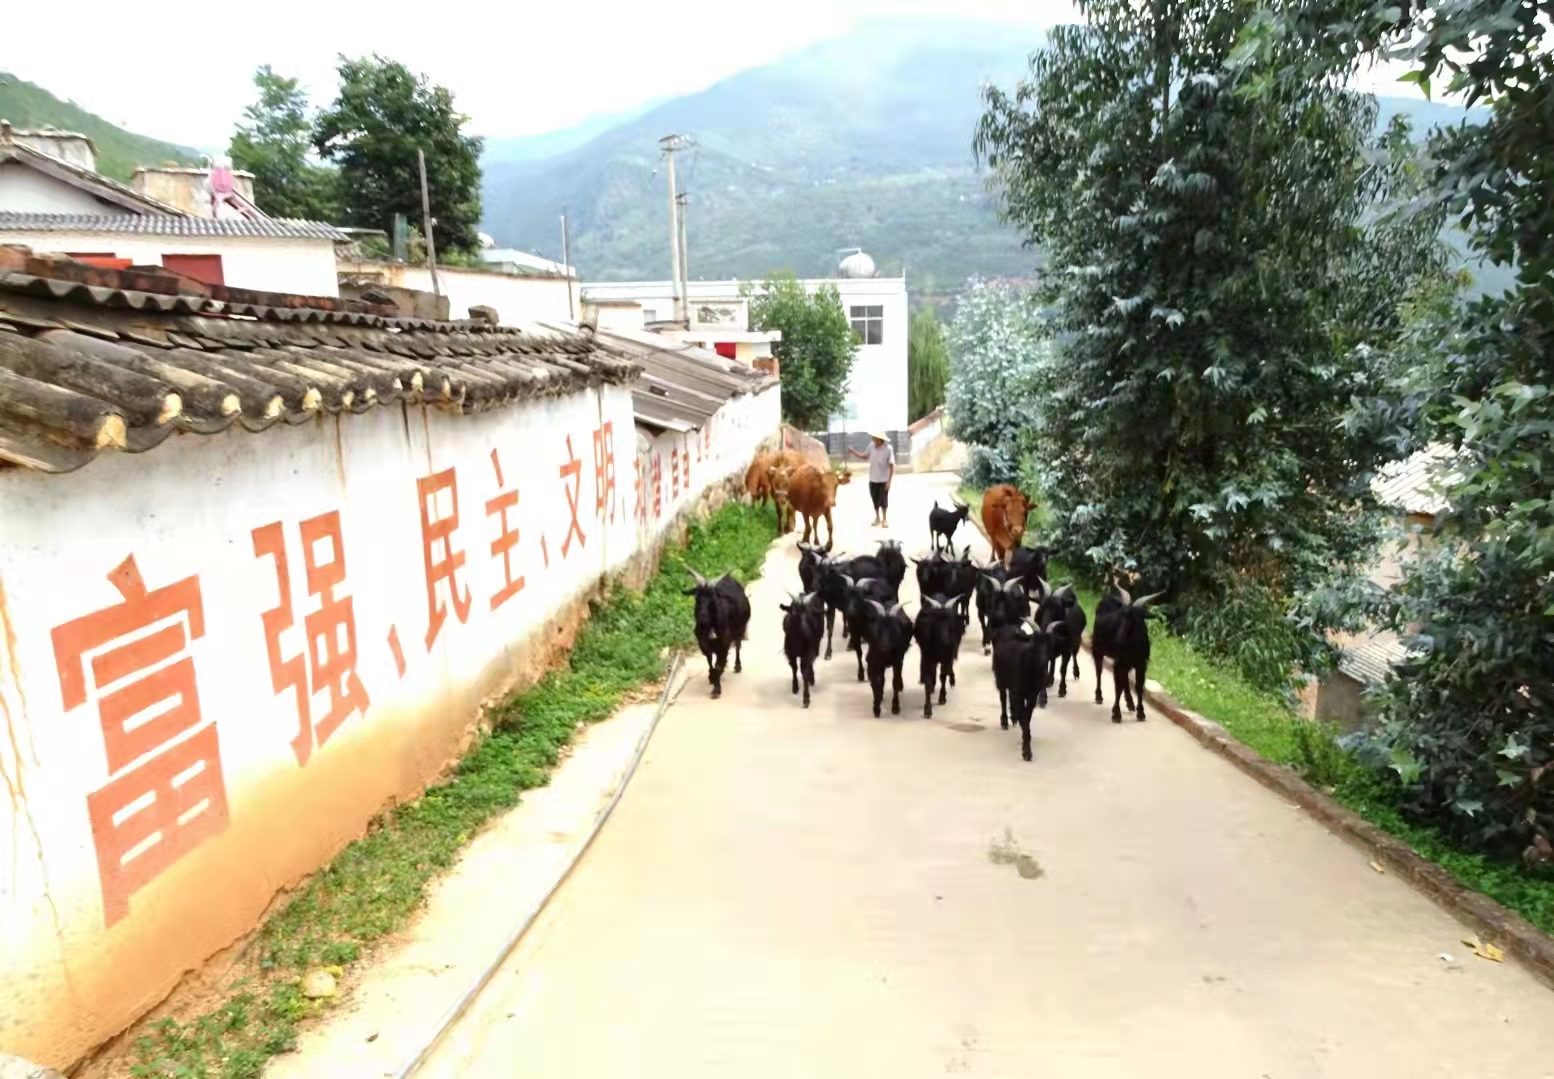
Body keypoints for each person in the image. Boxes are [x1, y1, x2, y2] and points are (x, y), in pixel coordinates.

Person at [848, 431, 895, 528]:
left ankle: (884, 519)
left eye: (876, 439)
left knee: (884, 500)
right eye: (874, 439)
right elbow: (864, 456)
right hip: (873, 478)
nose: (874, 440)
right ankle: (877, 517)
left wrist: (889, 481)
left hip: (883, 479)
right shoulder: (871, 446)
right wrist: (853, 452)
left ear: (881, 440)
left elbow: (891, 465)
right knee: (875, 499)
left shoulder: (888, 449)